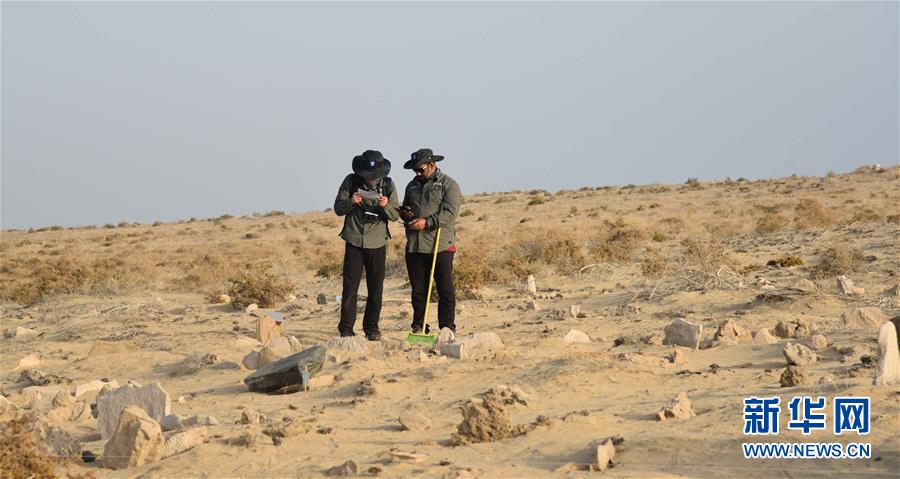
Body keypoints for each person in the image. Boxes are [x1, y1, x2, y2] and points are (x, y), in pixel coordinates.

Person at [333, 150, 400, 340]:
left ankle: (371, 329)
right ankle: (346, 330)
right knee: (350, 289)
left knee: (375, 289)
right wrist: (351, 201)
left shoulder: (388, 185)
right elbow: (338, 208)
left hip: (377, 242)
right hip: (354, 240)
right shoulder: (350, 181)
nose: (370, 179)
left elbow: (395, 216)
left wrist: (385, 206)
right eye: (367, 176)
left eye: (374, 176)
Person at [400, 148, 461, 334]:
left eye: (420, 169)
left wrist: (427, 223)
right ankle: (419, 325)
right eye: (415, 170)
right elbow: (407, 208)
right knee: (418, 290)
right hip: (415, 246)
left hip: (440, 244)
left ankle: (447, 327)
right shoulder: (411, 186)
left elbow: (450, 213)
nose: (417, 173)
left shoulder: (448, 185)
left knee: (445, 289)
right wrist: (406, 214)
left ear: (432, 165)